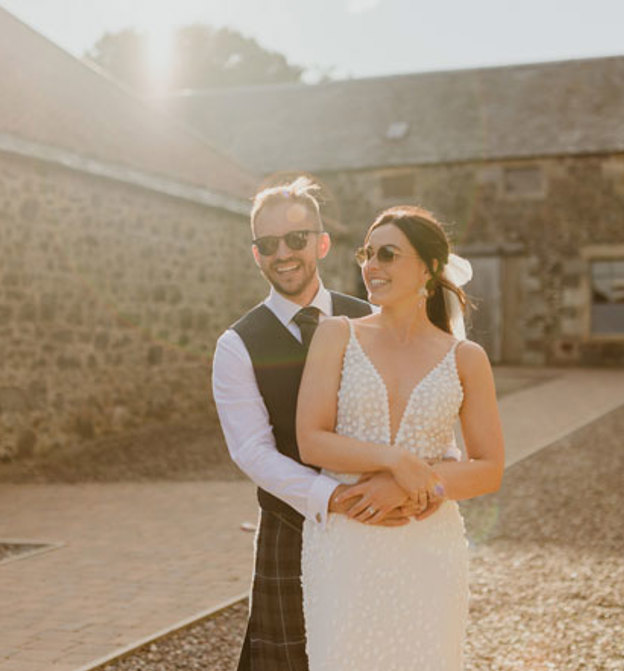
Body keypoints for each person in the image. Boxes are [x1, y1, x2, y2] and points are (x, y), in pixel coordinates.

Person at [212, 178, 435, 671]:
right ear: (256, 254)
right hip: (292, 529)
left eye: (296, 239)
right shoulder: (237, 345)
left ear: (322, 242)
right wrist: (333, 500)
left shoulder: (371, 319)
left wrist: (394, 486)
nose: (283, 254)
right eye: (268, 245)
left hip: (380, 524)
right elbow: (253, 451)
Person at [296, 205, 505, 670]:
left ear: (429, 267)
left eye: (387, 254)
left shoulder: (466, 358)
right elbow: (311, 439)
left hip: (428, 545)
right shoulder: (336, 335)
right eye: (367, 254)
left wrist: (412, 485)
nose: (371, 266)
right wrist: (397, 461)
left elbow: (489, 468)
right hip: (346, 541)